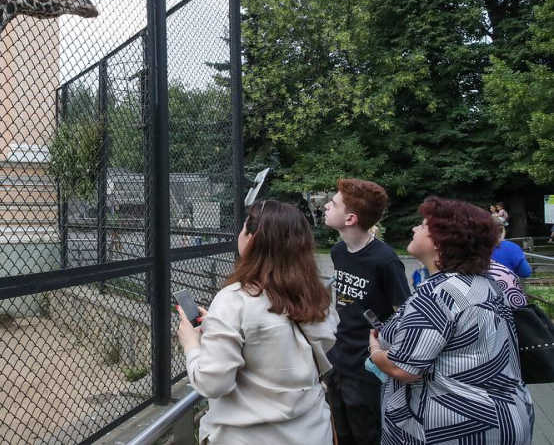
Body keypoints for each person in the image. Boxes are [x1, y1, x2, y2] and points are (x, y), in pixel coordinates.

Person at [368, 197, 534, 443]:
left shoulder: (438, 294)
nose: (414, 229)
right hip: (503, 415)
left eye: (423, 225)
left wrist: (374, 350)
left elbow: (401, 368)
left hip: (454, 426)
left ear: (441, 241)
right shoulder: (484, 283)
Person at [177, 200, 339, 444]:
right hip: (313, 431)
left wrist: (192, 345)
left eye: (244, 229)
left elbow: (213, 383)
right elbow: (282, 343)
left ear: (251, 239)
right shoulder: (317, 297)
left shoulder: (235, 300)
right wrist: (220, 326)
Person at [322, 179, 411, 445]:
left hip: (366, 368)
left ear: (350, 219)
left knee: (366, 434)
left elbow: (403, 314)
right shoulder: (338, 251)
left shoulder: (385, 260)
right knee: (340, 430)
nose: (327, 205)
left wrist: (385, 356)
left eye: (334, 203)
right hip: (337, 359)